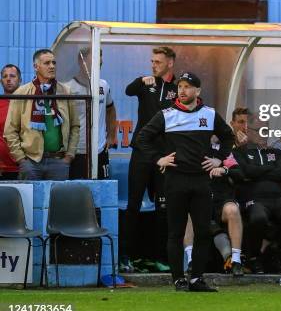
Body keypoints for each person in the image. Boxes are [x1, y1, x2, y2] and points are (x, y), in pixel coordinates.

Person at [136, 72, 234, 292]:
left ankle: (197, 278)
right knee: (176, 232)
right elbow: (142, 138)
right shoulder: (167, 114)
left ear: (197, 91)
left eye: (188, 86)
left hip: (201, 181)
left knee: (202, 231)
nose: (182, 90)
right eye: (180, 86)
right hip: (175, 180)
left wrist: (219, 159)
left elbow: (228, 136)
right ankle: (179, 279)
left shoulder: (209, 114)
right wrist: (158, 158)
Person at [122, 46, 177, 274]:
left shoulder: (178, 88)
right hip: (142, 153)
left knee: (163, 207)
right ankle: (126, 257)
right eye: (152, 61)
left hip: (165, 156)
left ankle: (161, 258)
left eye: (158, 62)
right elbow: (128, 90)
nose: (153, 65)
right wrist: (142, 81)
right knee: (133, 204)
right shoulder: (145, 83)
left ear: (170, 63)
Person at [233, 116, 281, 275]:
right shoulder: (240, 152)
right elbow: (245, 171)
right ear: (248, 131)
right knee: (258, 218)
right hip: (254, 198)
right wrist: (267, 170)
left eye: (265, 130)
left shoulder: (276, 152)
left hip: (278, 198)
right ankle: (253, 258)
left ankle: (274, 255)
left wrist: (257, 171)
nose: (262, 134)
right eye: (258, 130)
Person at [4, 49, 79, 180]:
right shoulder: (22, 93)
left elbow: (75, 126)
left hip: (59, 161)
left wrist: (69, 156)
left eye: (54, 63)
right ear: (36, 66)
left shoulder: (66, 91)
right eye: (47, 63)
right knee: (30, 201)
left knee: (58, 200)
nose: (52, 66)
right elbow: (10, 130)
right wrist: (21, 159)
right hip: (31, 162)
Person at [66, 47, 117, 180]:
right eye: (95, 56)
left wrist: (111, 136)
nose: (100, 60)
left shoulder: (103, 85)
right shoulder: (68, 87)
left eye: (100, 56)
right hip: (76, 151)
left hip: (99, 150)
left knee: (101, 193)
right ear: (81, 60)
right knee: (77, 193)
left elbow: (110, 109)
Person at [209, 137, 244, 276]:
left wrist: (224, 168)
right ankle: (191, 262)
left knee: (232, 210)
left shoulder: (224, 152)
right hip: (198, 197)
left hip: (221, 198)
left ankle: (235, 260)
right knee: (191, 213)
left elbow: (239, 173)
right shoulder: (191, 147)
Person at [0, 64, 21, 179]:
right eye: (5, 76)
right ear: (1, 81)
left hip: (23, 166)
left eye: (12, 76)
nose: (8, 79)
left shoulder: (27, 103)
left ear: (20, 80)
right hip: (2, 168)